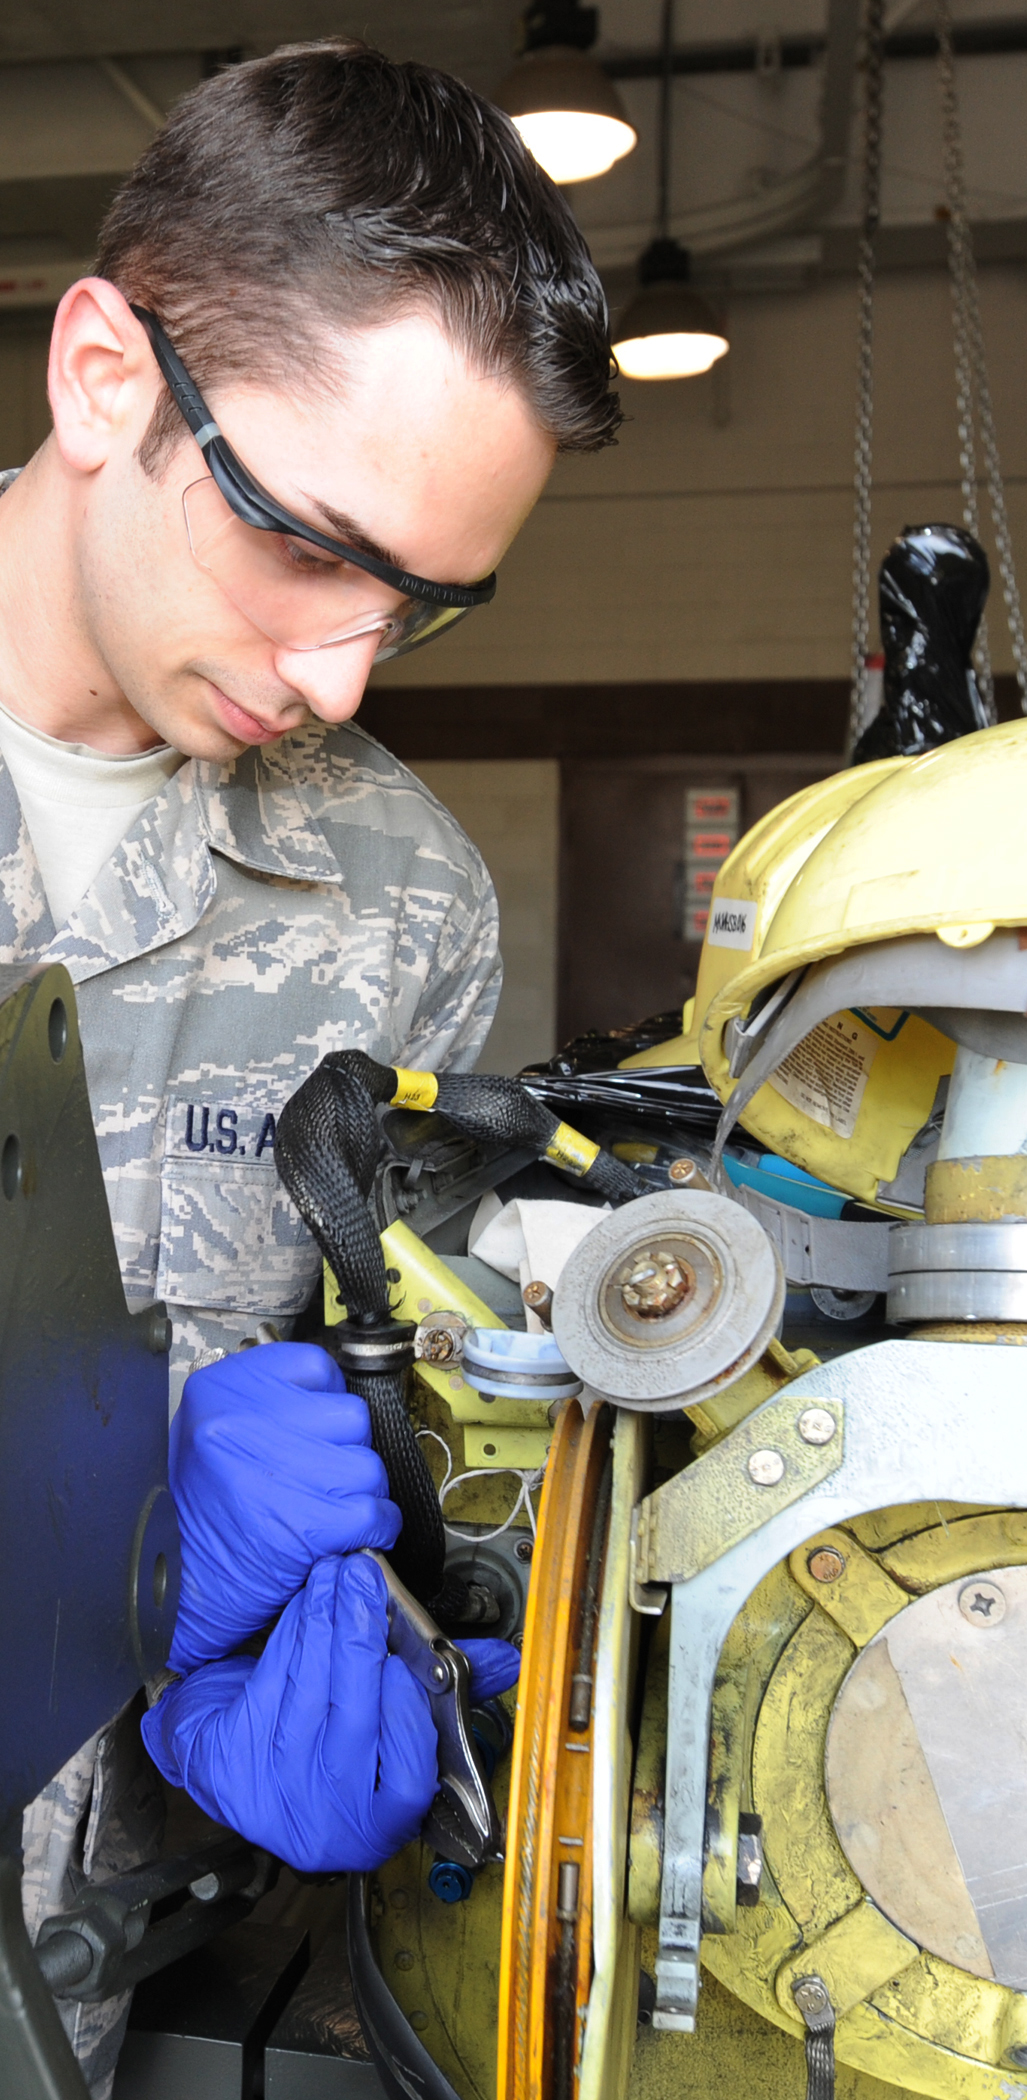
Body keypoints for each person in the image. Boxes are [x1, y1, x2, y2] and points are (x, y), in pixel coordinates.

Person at [2, 39, 619, 2092]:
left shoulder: (396, 897)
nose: (344, 673)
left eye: (423, 604)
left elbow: (386, 1408)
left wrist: (340, 1658)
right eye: (307, 544)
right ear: (106, 377)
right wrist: (106, 1561)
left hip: (85, 1987)